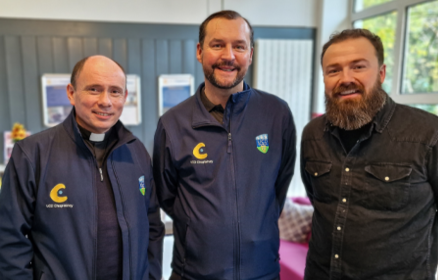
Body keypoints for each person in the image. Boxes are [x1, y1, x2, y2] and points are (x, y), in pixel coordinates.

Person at [153, 10, 296, 280]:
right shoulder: (173, 124)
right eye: (217, 44)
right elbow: (167, 196)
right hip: (193, 273)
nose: (228, 56)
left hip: (262, 272)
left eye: (239, 46)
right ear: (199, 51)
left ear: (250, 54)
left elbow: (279, 185)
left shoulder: (276, 114)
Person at [300, 28, 438, 280]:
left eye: (358, 67)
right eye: (333, 70)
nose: (345, 78)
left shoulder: (431, 134)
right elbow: (319, 200)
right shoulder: (313, 134)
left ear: (381, 73)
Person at [0, 55, 165, 280]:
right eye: (94, 89)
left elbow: (152, 229)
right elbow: (9, 240)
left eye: (115, 91)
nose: (106, 101)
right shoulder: (32, 154)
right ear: (71, 93)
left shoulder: (137, 153)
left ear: (125, 97)